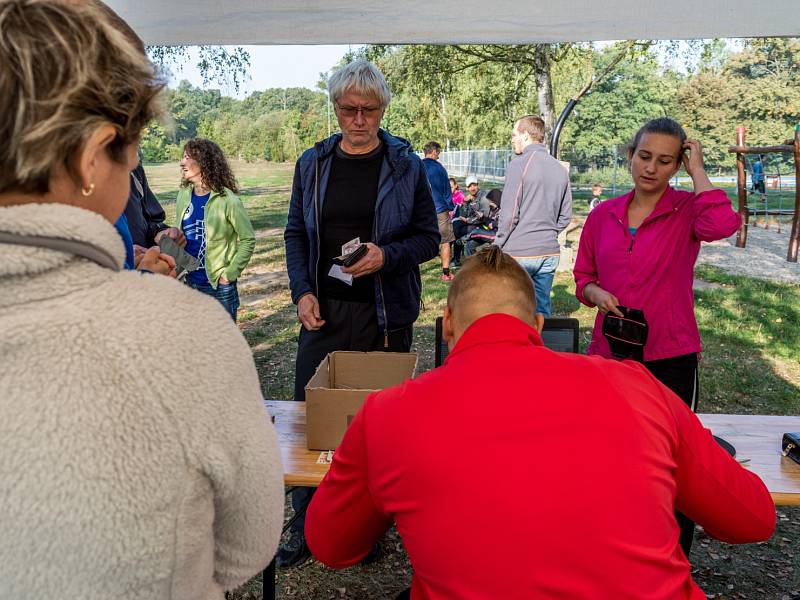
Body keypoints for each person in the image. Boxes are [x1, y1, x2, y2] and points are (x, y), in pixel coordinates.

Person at [0, 2, 283, 598]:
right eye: (130, 150)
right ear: (90, 156)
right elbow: (246, 547)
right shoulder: (182, 333)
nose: (135, 168)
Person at [304, 246, 775, 600]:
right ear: (538, 323)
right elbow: (752, 518)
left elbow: (331, 545)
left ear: (447, 325)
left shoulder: (389, 414)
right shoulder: (638, 387)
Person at [282, 59, 439, 568]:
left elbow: (428, 238)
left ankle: (366, 529)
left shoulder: (404, 165)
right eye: (348, 109)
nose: (358, 119)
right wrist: (302, 291)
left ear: (382, 110)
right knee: (313, 418)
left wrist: (386, 256)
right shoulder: (314, 163)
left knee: (377, 425)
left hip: (383, 313)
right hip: (324, 312)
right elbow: (294, 234)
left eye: (369, 110)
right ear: (335, 108)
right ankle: (305, 523)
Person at [573, 117, 742, 555]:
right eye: (644, 156)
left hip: (671, 355)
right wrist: (595, 291)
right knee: (609, 453)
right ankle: (612, 546)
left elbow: (724, 225)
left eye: (665, 161)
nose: (650, 168)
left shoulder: (687, 209)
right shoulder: (604, 215)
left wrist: (699, 170)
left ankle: (671, 555)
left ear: (677, 165)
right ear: (631, 155)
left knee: (673, 458)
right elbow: (583, 276)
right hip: (610, 355)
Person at [494, 115, 572, 319]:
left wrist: (497, 244)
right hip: (549, 252)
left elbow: (510, 215)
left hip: (520, 252)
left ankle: (515, 350)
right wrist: (548, 233)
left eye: (514, 135)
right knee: (541, 312)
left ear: (526, 136)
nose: (512, 139)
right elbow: (565, 216)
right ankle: (540, 349)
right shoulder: (559, 168)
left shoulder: (518, 165)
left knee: (513, 310)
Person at [176, 138, 255, 322]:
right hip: (190, 285)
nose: (182, 162)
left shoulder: (228, 200)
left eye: (187, 157)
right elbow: (182, 236)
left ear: (203, 161)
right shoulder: (183, 196)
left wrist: (229, 274)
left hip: (218, 288)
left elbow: (248, 239)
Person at [422, 141, 455, 281]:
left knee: (419, 239)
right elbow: (447, 190)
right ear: (434, 151)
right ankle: (446, 273)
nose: (439, 156)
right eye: (439, 152)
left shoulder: (418, 166)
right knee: (445, 240)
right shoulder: (440, 169)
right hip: (440, 209)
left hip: (422, 209)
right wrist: (450, 206)